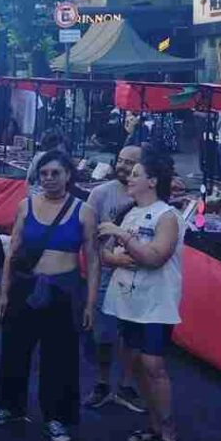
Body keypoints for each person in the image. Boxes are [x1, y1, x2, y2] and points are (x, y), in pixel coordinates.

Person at [0, 150, 99, 441]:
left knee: (59, 356)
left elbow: (93, 258)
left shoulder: (83, 211)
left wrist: (90, 302)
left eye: (55, 173)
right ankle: (10, 406)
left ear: (68, 176)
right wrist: (4, 290)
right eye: (44, 173)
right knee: (14, 349)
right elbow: (13, 250)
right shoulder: (26, 206)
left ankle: (55, 417)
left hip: (64, 290)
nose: (49, 179)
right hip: (27, 286)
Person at [98, 152, 184, 441]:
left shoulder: (167, 216)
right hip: (128, 301)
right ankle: (154, 424)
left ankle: (169, 435)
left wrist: (123, 238)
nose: (129, 178)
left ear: (152, 181)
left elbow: (155, 257)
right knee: (134, 364)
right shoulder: (128, 212)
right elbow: (105, 253)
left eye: (136, 173)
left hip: (156, 304)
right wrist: (115, 256)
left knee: (153, 366)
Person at [83, 145, 147, 412]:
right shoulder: (100, 194)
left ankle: (126, 385)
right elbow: (89, 240)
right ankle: (101, 382)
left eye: (129, 162)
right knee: (104, 334)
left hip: (137, 275)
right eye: (119, 159)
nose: (122, 166)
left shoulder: (147, 195)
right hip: (107, 274)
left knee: (132, 335)